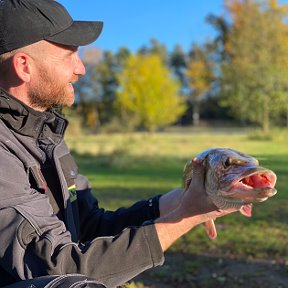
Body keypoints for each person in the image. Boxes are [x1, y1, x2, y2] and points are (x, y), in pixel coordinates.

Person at [0, 0, 238, 287]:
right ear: (24, 66)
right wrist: (186, 218)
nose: (81, 69)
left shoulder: (46, 135)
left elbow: (90, 228)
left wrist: (178, 202)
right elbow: (59, 269)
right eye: (69, 56)